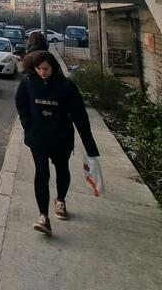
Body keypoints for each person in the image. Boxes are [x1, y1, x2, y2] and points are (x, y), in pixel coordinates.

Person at [15, 50, 100, 235]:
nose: (42, 72)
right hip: (37, 137)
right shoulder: (29, 82)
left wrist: (90, 146)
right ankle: (43, 216)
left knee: (62, 170)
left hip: (61, 137)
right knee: (42, 173)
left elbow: (80, 116)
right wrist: (26, 122)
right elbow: (20, 103)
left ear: (53, 67)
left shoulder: (66, 86)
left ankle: (60, 199)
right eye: (38, 69)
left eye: (45, 69)